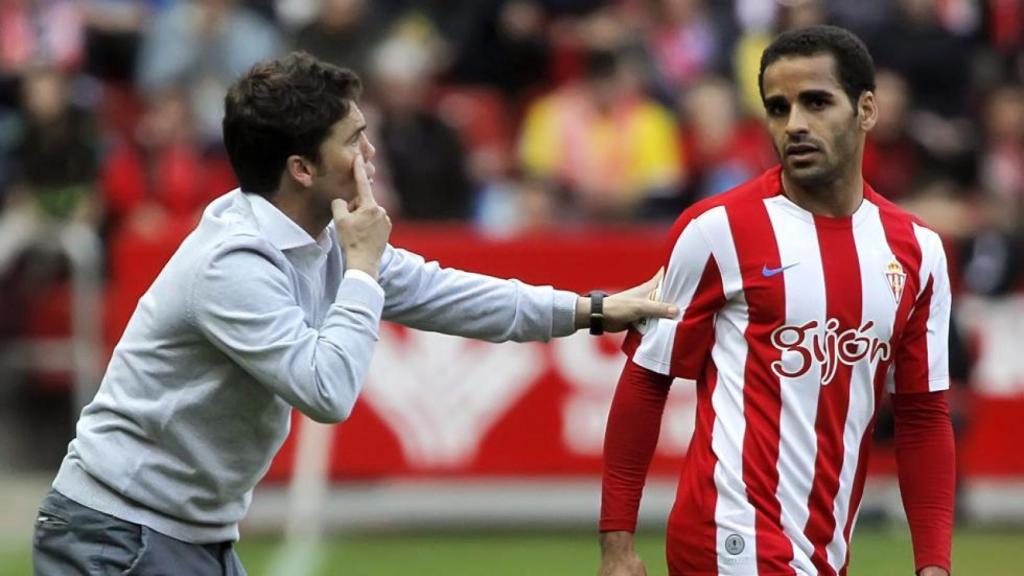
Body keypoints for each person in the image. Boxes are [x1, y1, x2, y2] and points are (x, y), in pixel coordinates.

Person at [30, 52, 677, 575]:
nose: (370, 156)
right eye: (355, 141)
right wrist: (364, 267)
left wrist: (593, 310)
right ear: (303, 168)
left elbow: (448, 294)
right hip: (118, 536)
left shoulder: (320, 234)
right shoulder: (233, 262)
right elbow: (327, 390)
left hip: (183, 535)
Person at [598, 26, 954, 576]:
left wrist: (933, 563)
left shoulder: (917, 252)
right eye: (778, 108)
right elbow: (647, 380)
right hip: (727, 537)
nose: (795, 125)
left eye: (816, 102)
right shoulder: (716, 231)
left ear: (867, 110)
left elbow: (923, 414)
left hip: (822, 549)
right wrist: (617, 546)